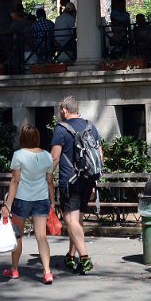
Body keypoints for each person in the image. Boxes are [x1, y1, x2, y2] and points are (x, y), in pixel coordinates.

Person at [50, 96, 102, 275]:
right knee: (77, 220)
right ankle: (71, 257)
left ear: (64, 110)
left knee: (70, 221)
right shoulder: (91, 127)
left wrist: (45, 175)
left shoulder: (61, 129)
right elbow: (100, 156)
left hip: (70, 182)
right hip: (87, 180)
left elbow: (55, 158)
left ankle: (85, 258)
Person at [3, 124, 56, 284]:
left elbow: (15, 180)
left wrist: (7, 205)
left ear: (22, 138)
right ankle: (47, 272)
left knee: (17, 235)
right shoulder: (47, 156)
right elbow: (49, 182)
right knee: (41, 236)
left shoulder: (18, 155)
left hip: (22, 199)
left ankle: (14, 270)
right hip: (41, 199)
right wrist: (53, 201)